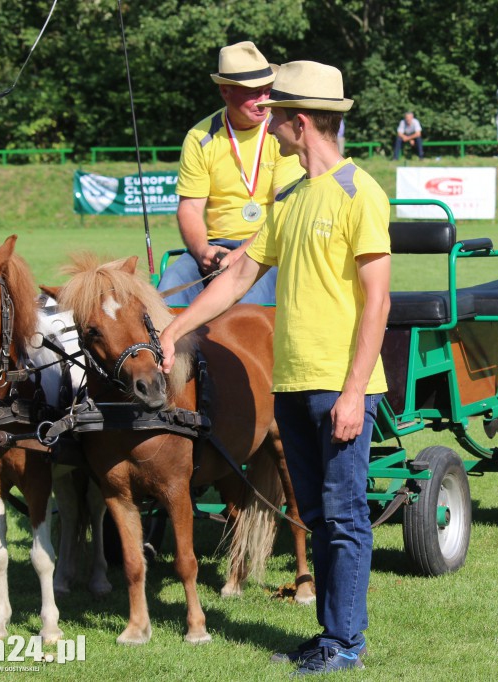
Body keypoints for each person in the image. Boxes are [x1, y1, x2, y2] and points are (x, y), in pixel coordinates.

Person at [158, 60, 390, 676]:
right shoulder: (290, 200)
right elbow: (237, 275)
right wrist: (174, 327)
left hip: (340, 387)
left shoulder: (359, 192)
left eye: (278, 110)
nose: (270, 118)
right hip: (290, 383)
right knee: (314, 515)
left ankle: (346, 643)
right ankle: (330, 636)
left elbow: (378, 302)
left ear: (300, 120)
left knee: (343, 517)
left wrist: (353, 391)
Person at [158, 41, 302, 307]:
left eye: (267, 91)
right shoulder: (199, 137)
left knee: (245, 308)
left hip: (270, 247)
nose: (263, 101)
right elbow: (189, 208)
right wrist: (203, 252)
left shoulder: (282, 132)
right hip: (215, 246)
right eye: (252, 93)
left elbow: (284, 209)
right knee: (167, 293)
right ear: (225, 91)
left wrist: (244, 253)